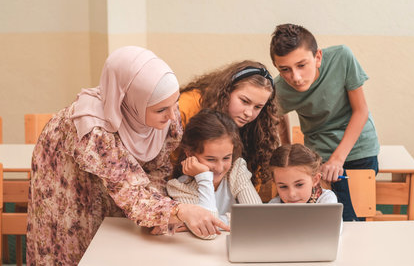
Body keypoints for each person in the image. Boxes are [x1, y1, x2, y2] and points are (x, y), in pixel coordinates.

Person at [26, 46, 228, 265]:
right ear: (129, 101)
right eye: (161, 110)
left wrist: (162, 216)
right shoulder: (92, 129)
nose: (172, 116)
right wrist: (178, 210)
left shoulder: (165, 114)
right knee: (80, 254)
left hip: (120, 196)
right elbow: (128, 190)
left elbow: (158, 168)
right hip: (73, 199)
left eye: (175, 102)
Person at [270, 24, 379, 221]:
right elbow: (276, 115)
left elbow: (361, 111)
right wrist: (287, 147)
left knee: (351, 217)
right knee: (319, 215)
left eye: (301, 65)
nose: (295, 77)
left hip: (359, 148)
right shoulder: (279, 89)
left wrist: (337, 160)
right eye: (285, 70)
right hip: (318, 156)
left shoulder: (342, 57)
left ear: (318, 57)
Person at [178, 61, 279, 202]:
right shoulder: (186, 107)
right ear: (227, 91)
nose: (249, 113)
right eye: (244, 101)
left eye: (258, 107)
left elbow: (251, 205)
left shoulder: (255, 132)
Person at [167, 109, 262, 239]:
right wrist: (203, 177)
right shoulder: (179, 187)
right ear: (190, 154)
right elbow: (208, 233)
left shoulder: (236, 169)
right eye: (211, 159)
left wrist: (218, 220)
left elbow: (258, 216)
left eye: (226, 158)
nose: (219, 168)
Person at [269, 144, 337, 204]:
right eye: (283, 186)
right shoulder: (273, 206)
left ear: (315, 180)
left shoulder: (327, 200)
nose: (292, 194)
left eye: (299, 184)